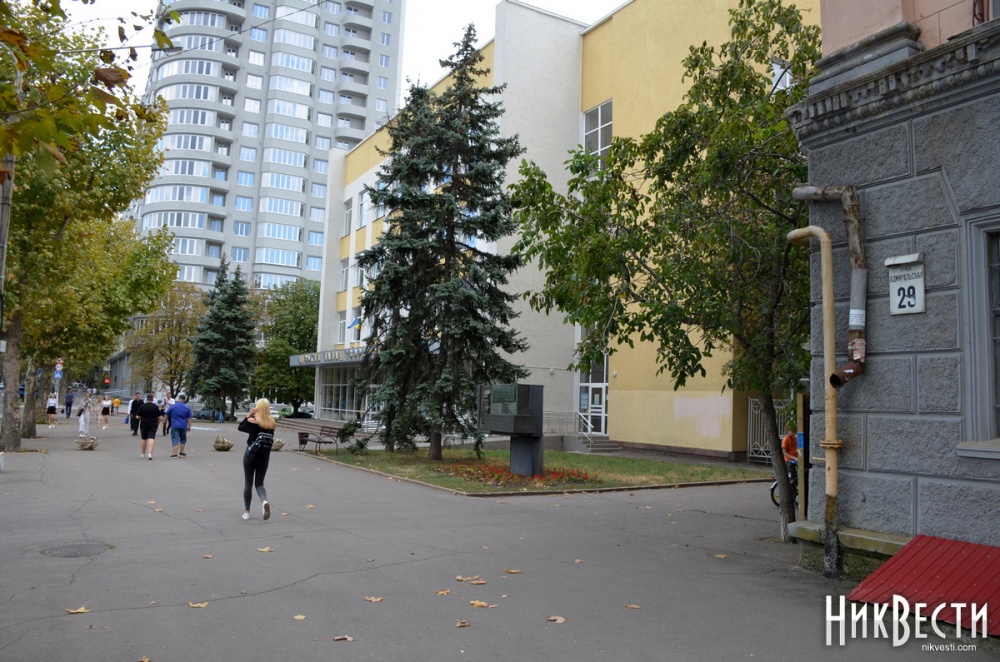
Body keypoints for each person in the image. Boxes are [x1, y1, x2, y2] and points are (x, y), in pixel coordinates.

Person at [238, 398, 277, 521]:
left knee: (248, 483)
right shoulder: (272, 423)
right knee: (259, 484)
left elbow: (241, 427)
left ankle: (247, 512)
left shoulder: (253, 421)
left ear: (258, 408)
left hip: (250, 454)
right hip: (264, 456)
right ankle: (264, 501)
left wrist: (249, 414)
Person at [166, 394, 193, 458]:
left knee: (175, 439)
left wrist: (164, 422)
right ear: (184, 400)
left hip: (175, 425)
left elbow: (166, 415)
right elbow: (189, 419)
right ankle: (182, 452)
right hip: (183, 426)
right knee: (183, 439)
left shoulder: (173, 406)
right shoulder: (187, 408)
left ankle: (175, 454)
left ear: (179, 399)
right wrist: (189, 427)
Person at [138, 394, 162, 460]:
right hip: (153, 424)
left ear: (146, 399)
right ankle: (150, 454)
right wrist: (157, 424)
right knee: (151, 438)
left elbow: (138, 416)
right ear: (152, 399)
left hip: (144, 424)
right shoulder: (156, 407)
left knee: (144, 438)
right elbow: (159, 417)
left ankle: (142, 454)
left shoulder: (142, 406)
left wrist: (140, 417)